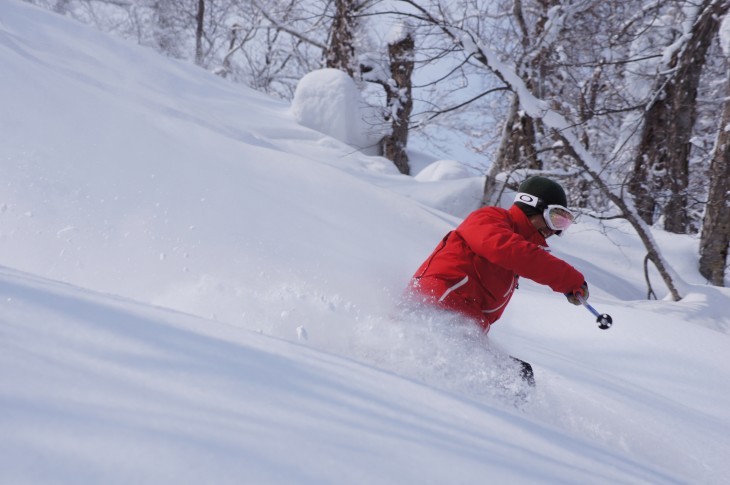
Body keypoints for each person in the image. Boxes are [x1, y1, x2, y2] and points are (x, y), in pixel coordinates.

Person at [405, 176, 589, 384]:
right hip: (433, 310)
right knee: (514, 377)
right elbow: (508, 250)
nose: (555, 231)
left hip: (457, 323)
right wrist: (568, 279)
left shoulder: (518, 246)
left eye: (563, 224)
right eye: (555, 218)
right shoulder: (489, 219)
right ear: (533, 207)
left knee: (517, 375)